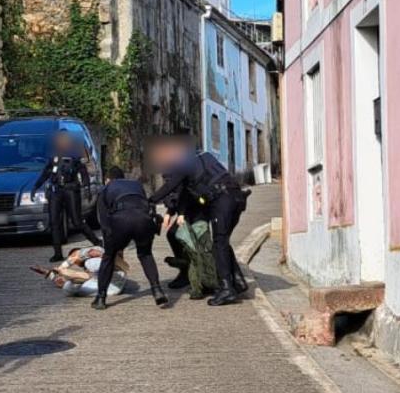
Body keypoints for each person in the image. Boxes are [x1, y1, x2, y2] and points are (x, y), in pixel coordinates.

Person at [150, 138, 248, 306]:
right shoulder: (205, 157)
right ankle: (237, 281)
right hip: (237, 197)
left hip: (222, 199)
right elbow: (186, 192)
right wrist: (175, 211)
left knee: (219, 243)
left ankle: (226, 289)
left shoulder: (184, 164)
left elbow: (170, 187)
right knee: (222, 242)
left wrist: (149, 201)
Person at [91, 166, 169, 310]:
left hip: (121, 221)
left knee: (109, 257)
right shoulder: (136, 185)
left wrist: (109, 242)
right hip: (143, 220)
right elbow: (148, 205)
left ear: (109, 179)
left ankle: (101, 298)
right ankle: (157, 290)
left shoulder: (106, 189)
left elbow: (103, 219)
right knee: (145, 254)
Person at [34, 130, 101, 262]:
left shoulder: (75, 154)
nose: (60, 142)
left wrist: (86, 188)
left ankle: (97, 242)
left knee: (77, 222)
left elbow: (83, 172)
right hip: (56, 191)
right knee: (54, 222)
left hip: (71, 190)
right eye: (58, 139)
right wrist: (36, 187)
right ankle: (57, 252)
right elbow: (46, 172)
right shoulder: (53, 156)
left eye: (63, 139)